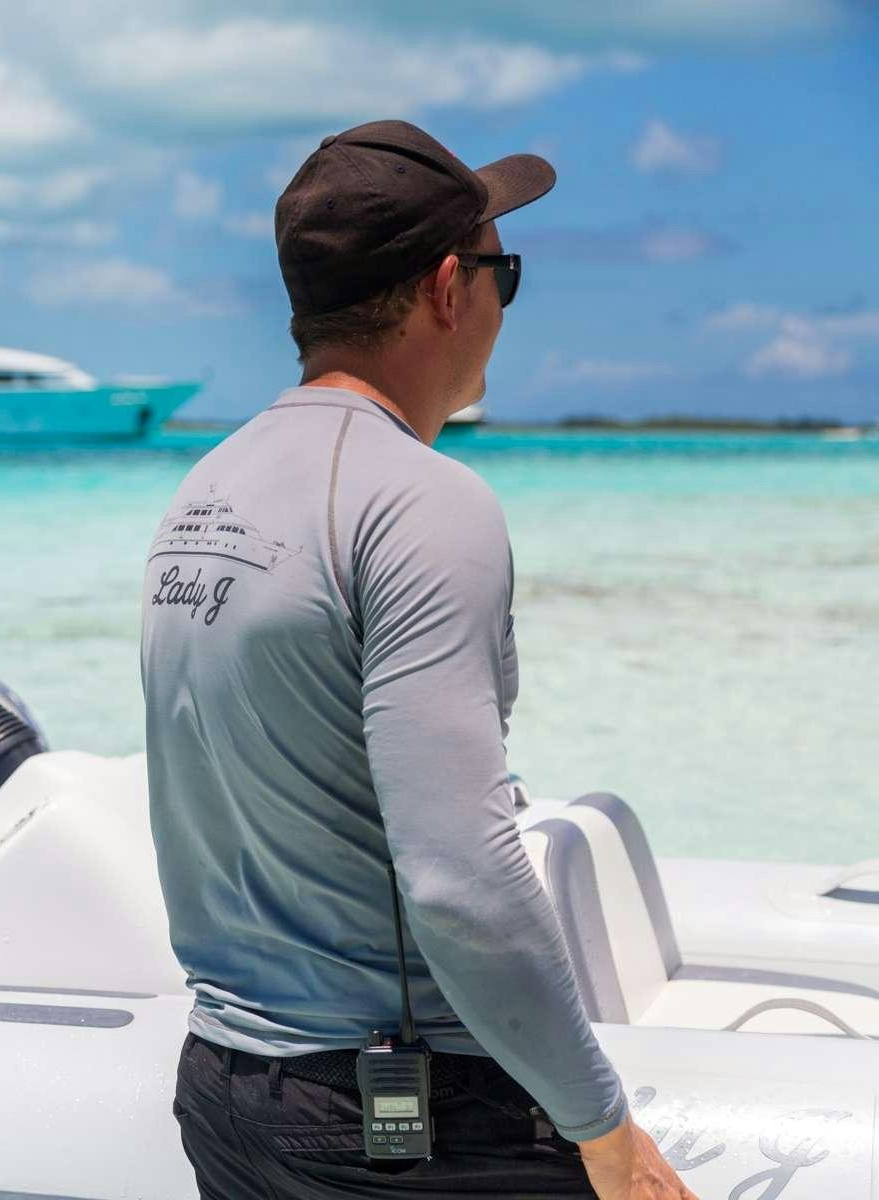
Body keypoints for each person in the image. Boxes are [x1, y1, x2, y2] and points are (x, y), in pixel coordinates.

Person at [140, 120, 697, 1200]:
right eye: (505, 273)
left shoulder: (203, 492)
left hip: (225, 1091)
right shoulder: (425, 504)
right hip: (403, 1120)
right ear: (451, 288)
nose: (501, 305)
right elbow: (461, 881)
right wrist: (601, 1125)